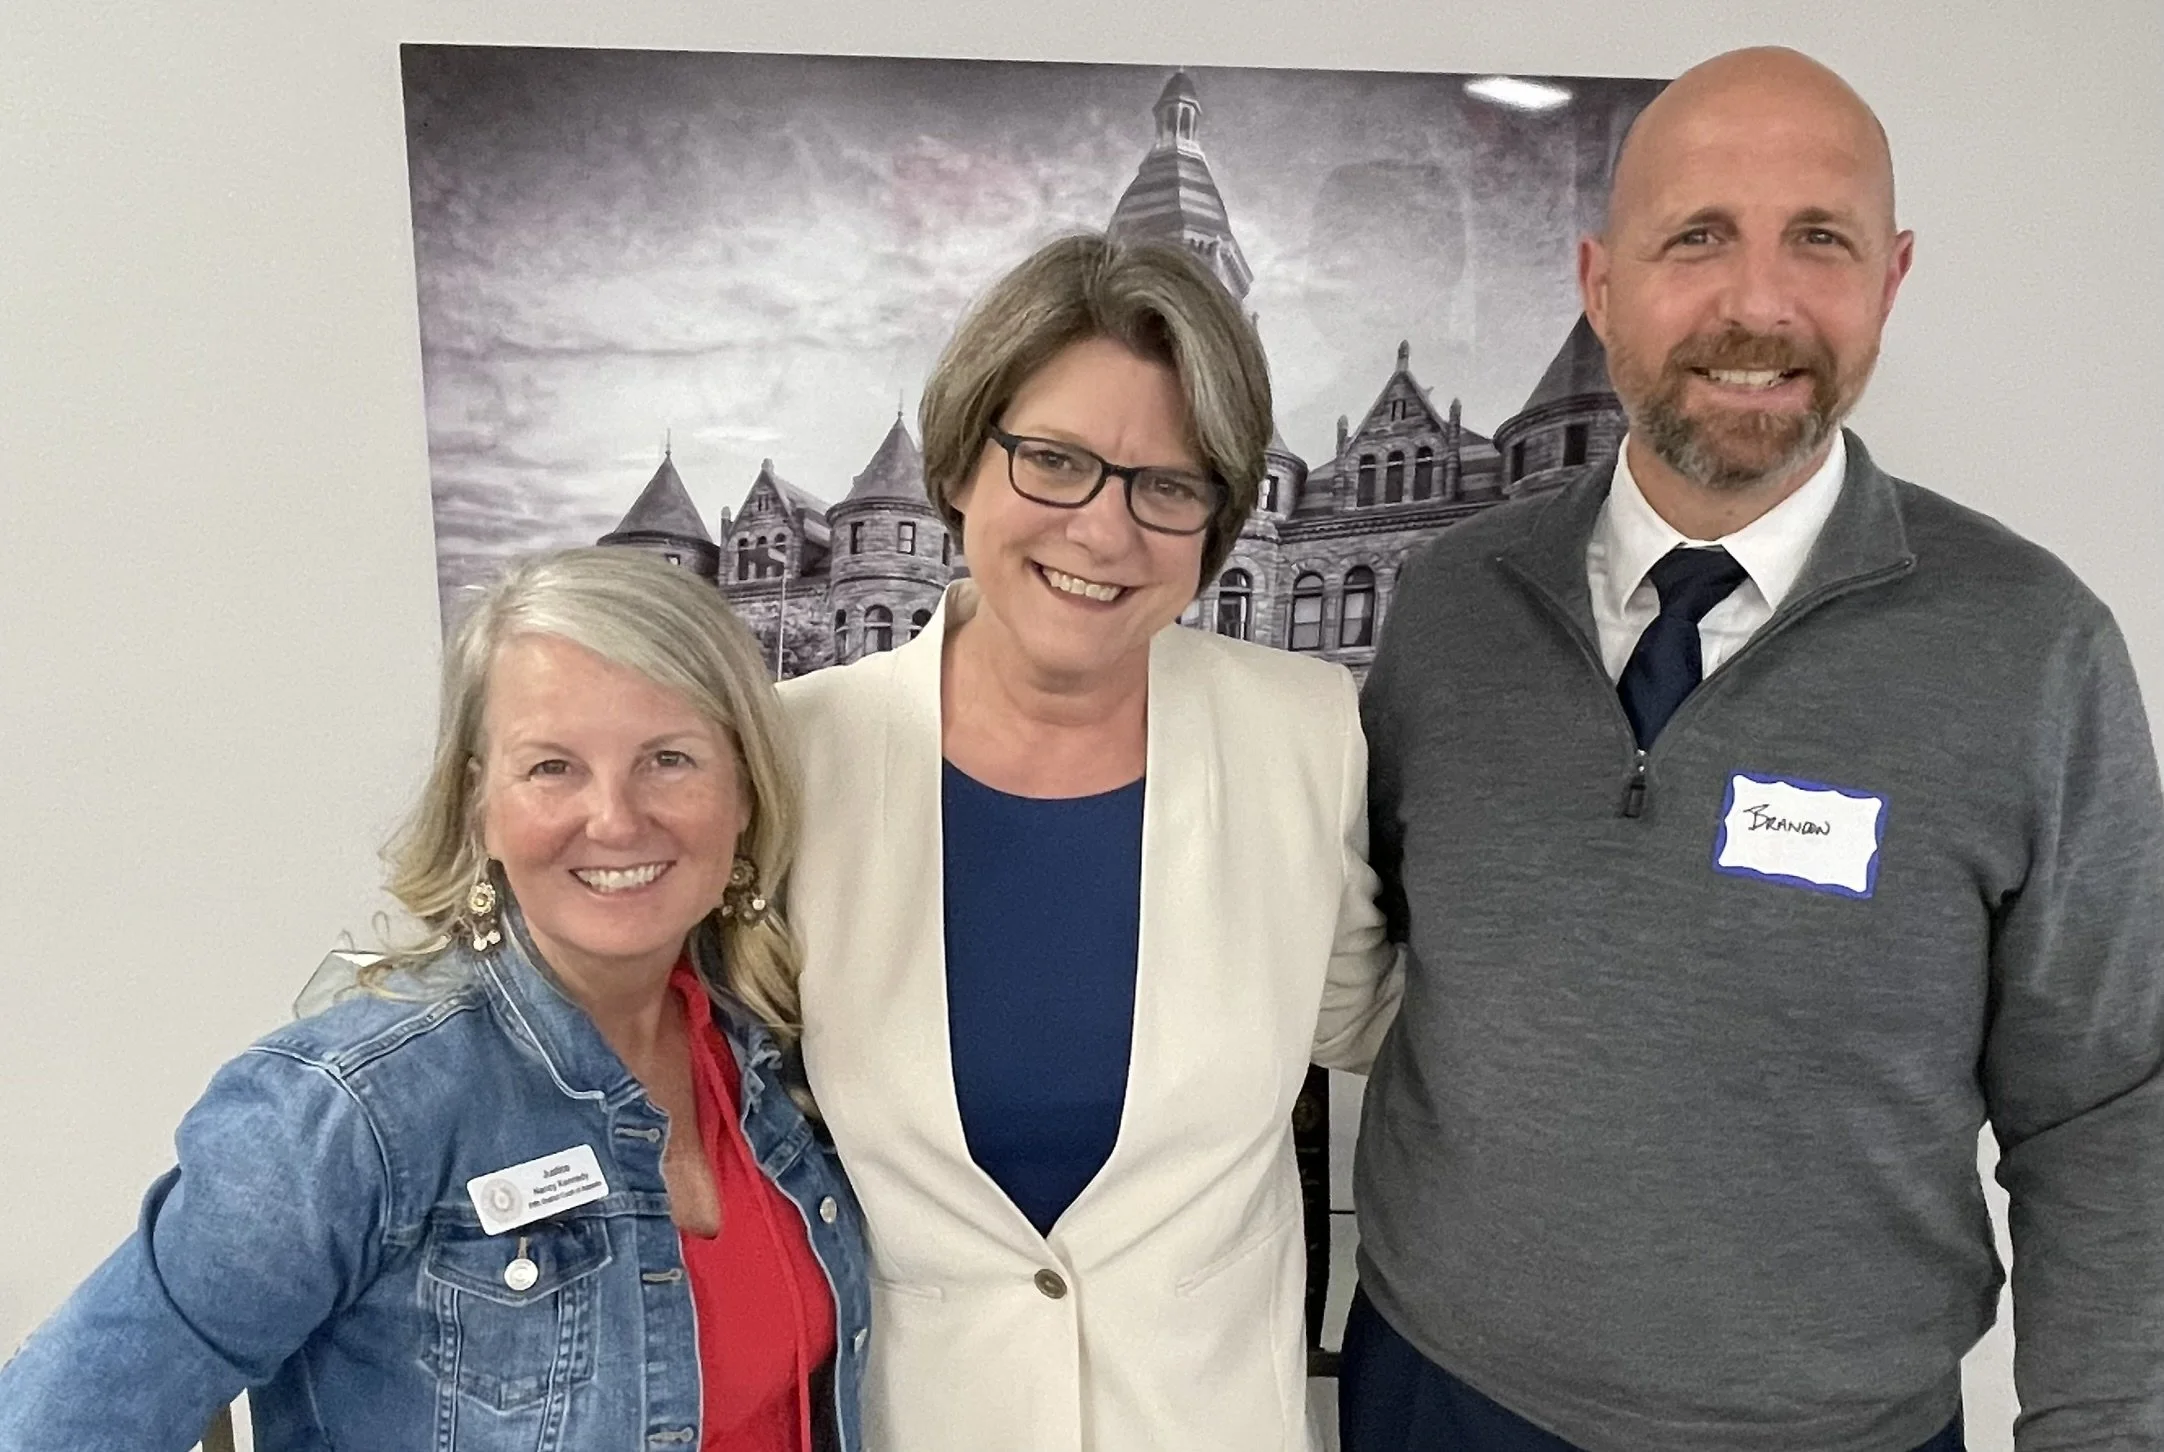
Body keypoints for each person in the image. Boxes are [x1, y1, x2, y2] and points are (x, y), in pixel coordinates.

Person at [1341, 45, 2164, 1452]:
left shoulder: (2034, 649)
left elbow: (2108, 1104)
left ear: (1891, 279)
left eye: (1820, 240)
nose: (1759, 303)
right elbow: (1383, 956)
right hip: (1437, 1395)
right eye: (1698, 237)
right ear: (1603, 286)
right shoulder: (1451, 604)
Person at [0, 549, 871, 1452]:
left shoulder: (768, 1054)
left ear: (743, 790)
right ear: (479, 804)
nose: (614, 818)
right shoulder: (346, 1109)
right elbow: (51, 1426)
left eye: (669, 758)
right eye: (551, 768)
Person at [779, 232, 1400, 1452]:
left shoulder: (1304, 734)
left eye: (1166, 484)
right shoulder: (798, 758)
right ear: (962, 465)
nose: (1103, 533)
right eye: (1054, 460)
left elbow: (1370, 1019)